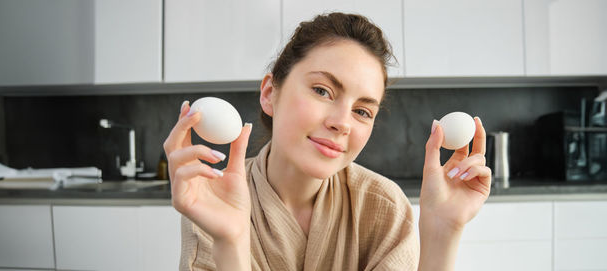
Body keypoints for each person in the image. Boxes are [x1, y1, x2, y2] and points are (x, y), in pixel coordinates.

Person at [163, 12, 492, 271]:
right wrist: (230, 241)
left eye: (362, 111)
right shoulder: (214, 202)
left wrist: (442, 232)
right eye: (322, 90)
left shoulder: (384, 207)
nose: (341, 122)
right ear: (269, 93)